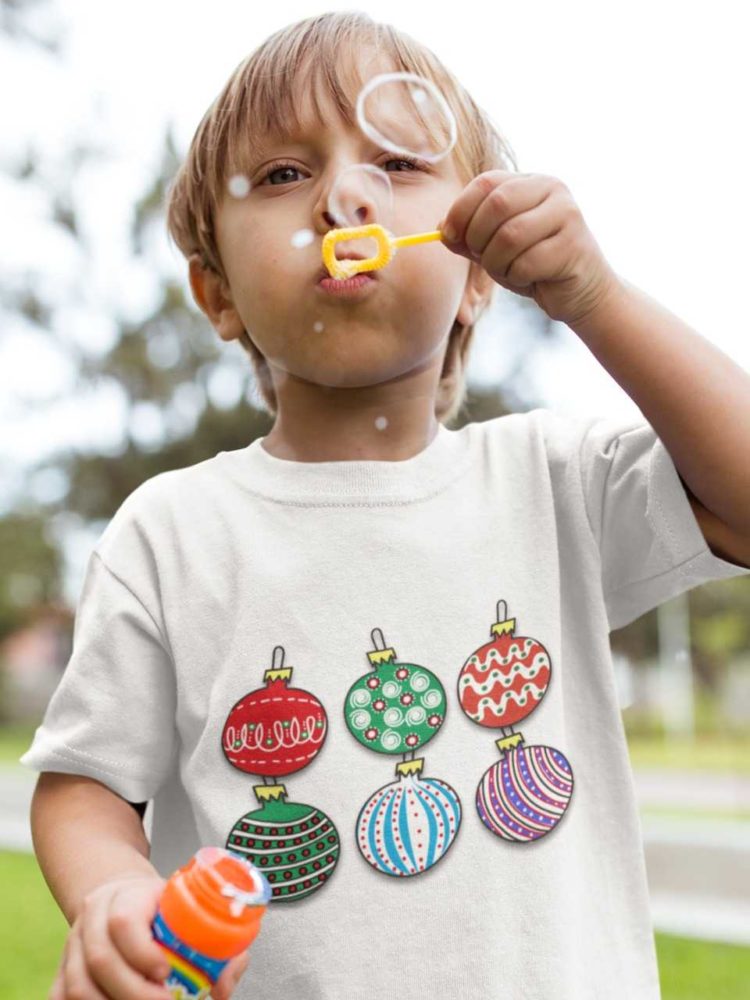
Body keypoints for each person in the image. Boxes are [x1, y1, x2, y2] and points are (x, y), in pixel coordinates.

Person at [20, 11, 750, 1000]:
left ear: (477, 277)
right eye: (284, 175)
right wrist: (112, 890)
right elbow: (86, 779)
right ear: (218, 292)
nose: (344, 196)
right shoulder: (172, 533)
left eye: (399, 163)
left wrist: (594, 294)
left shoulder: (553, 482)